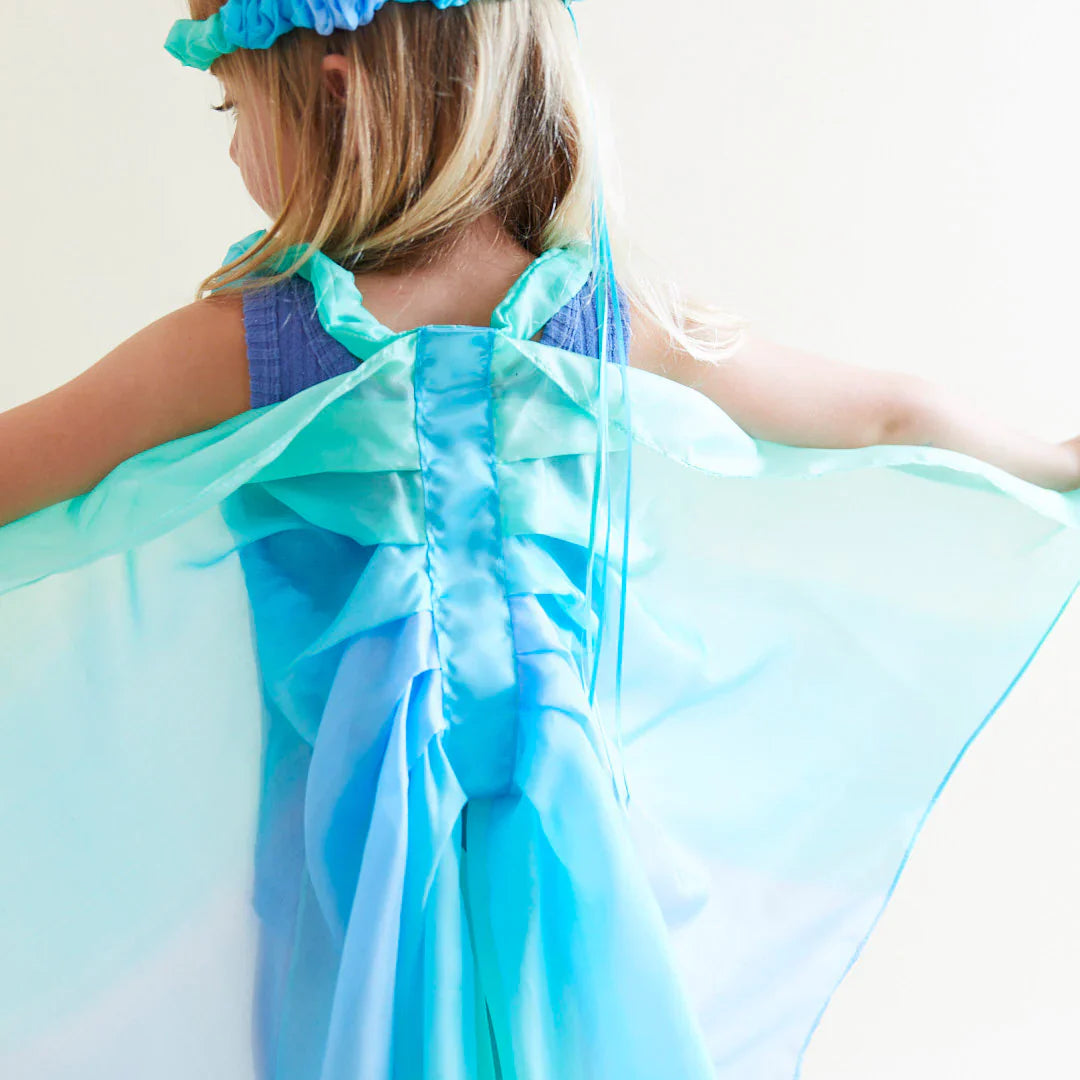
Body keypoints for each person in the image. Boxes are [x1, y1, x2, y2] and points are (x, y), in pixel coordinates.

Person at [1, 3, 1078, 1079]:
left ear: (334, 93)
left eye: (233, 107)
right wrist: (1049, 458)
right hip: (562, 812)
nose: (234, 146)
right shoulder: (599, 316)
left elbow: (20, 463)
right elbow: (883, 413)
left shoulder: (261, 344)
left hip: (362, 840)